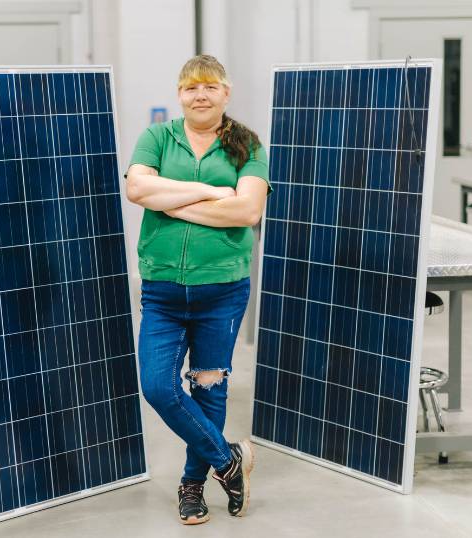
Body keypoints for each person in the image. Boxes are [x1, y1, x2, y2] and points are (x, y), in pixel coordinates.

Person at [125, 54, 271, 525]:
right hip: (163, 290)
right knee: (158, 387)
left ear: (226, 93)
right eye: (191, 88)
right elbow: (136, 190)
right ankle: (229, 461)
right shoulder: (157, 138)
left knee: (209, 389)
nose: (200, 95)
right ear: (179, 94)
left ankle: (192, 484)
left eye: (210, 86)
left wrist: (171, 202)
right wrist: (211, 192)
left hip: (222, 292)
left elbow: (247, 213)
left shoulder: (247, 144)